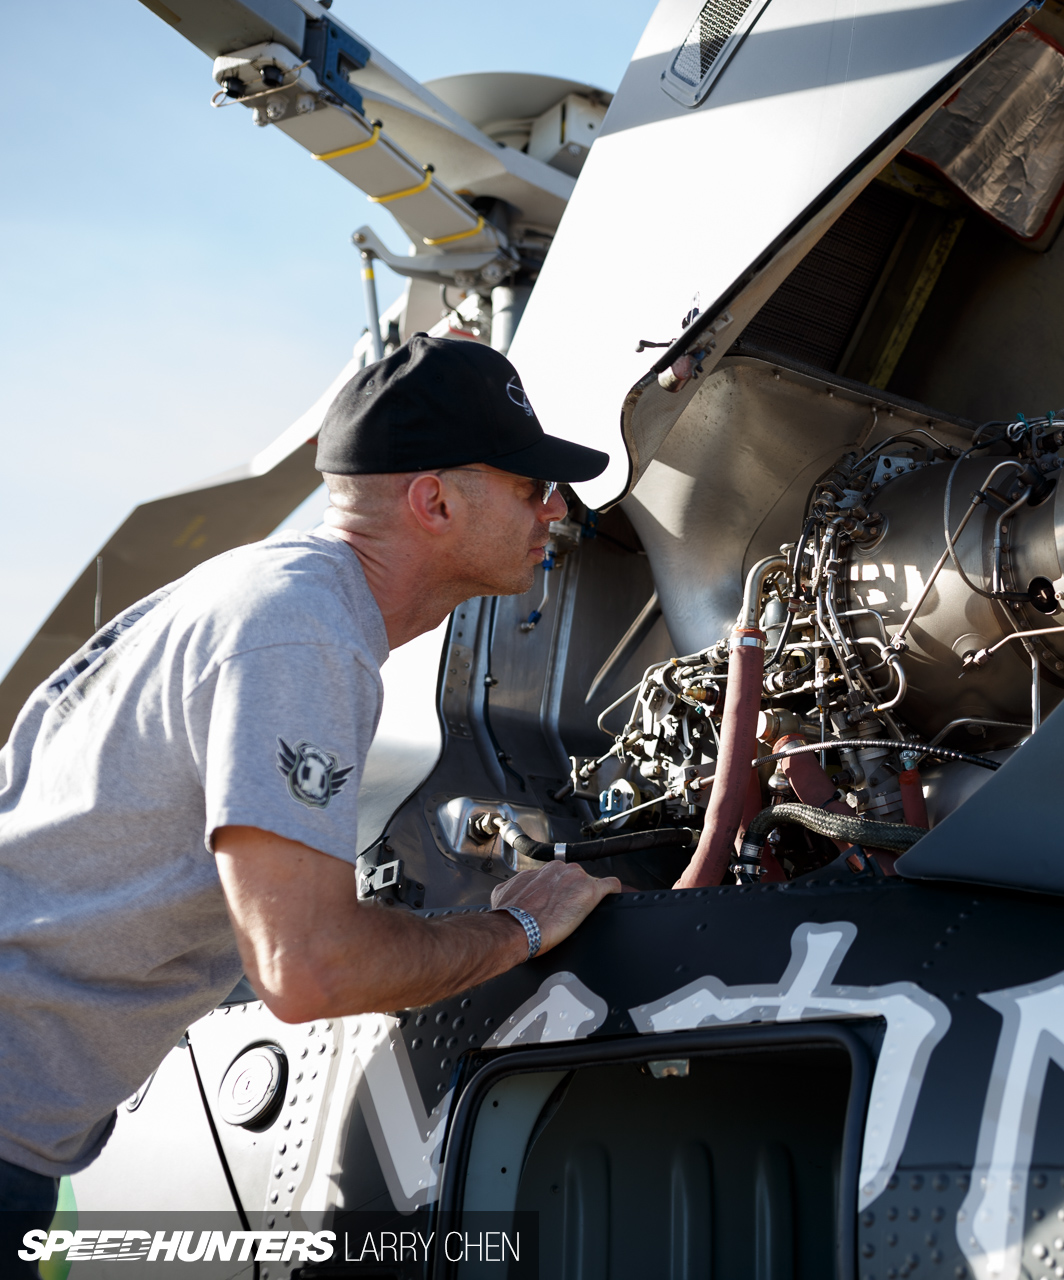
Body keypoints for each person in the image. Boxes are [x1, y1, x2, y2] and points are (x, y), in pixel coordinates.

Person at [0, 336, 623, 1237]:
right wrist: (520, 926)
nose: (556, 511)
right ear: (434, 500)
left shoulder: (266, 597)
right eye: (531, 487)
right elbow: (307, 968)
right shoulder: (304, 632)